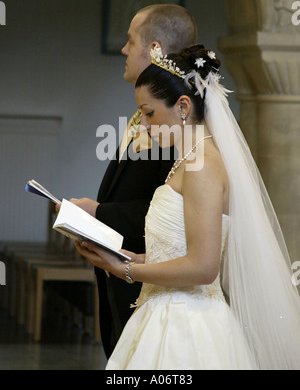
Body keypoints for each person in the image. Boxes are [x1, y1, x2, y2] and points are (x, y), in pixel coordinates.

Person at [75, 44, 300, 370]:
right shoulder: (186, 162)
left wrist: (125, 270)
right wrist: (130, 256)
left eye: (149, 113)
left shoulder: (203, 166)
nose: (145, 126)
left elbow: (204, 267)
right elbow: (179, 249)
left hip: (187, 326)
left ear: (183, 106)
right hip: (162, 313)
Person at [68, 4, 198, 358]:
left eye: (129, 41)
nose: (123, 50)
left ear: (154, 49)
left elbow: (174, 214)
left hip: (156, 288)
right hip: (129, 272)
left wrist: (98, 212)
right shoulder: (153, 117)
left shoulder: (178, 132)